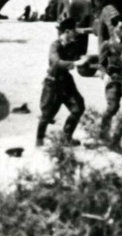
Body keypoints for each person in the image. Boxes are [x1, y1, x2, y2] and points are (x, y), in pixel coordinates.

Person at [36, 18, 89, 147]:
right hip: (53, 83)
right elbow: (56, 62)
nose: (76, 33)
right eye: (73, 31)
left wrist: (84, 59)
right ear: (67, 31)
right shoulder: (55, 46)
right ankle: (39, 141)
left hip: (66, 82)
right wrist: (75, 63)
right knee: (47, 114)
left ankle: (66, 137)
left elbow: (78, 58)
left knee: (78, 108)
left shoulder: (73, 45)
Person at [98, 14, 122, 141]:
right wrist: (104, 74)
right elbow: (101, 64)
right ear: (114, 29)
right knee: (113, 107)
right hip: (114, 78)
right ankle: (103, 132)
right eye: (121, 27)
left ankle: (118, 137)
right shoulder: (107, 44)